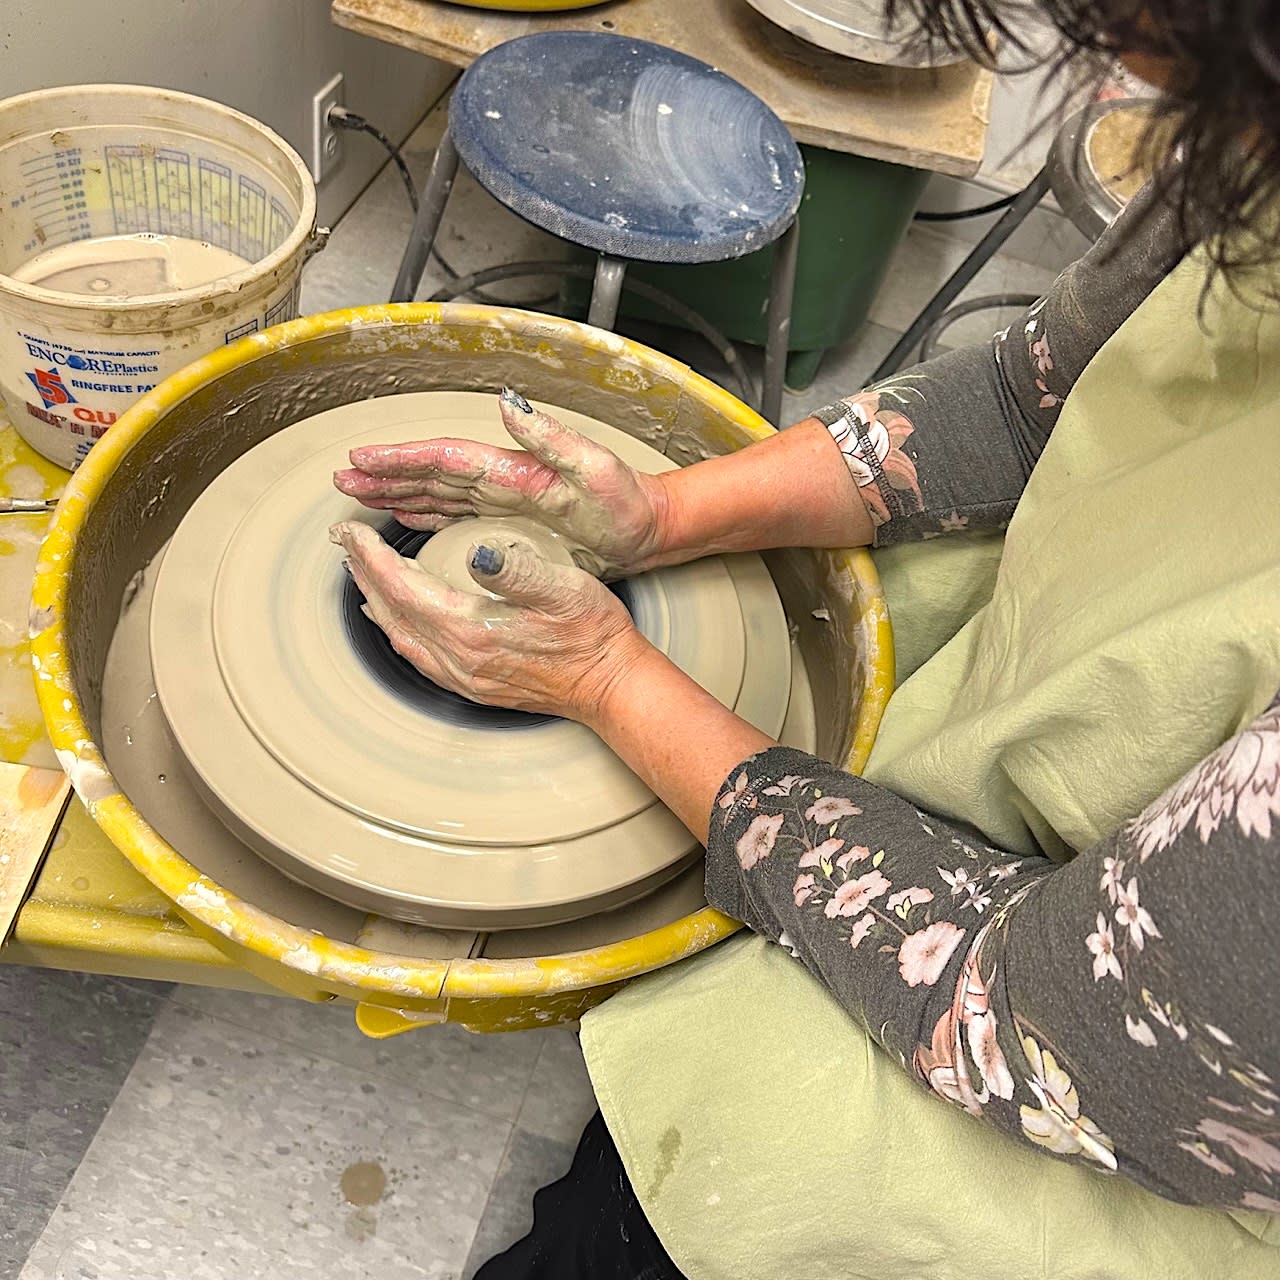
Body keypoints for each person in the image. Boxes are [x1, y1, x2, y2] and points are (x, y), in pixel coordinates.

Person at [331, 2, 1280, 1275]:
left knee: (671, 1208)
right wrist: (660, 512)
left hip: (1121, 1124)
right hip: (1083, 782)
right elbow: (1025, 396)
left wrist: (605, 675)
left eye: (1150, 39)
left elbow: (1032, 1026)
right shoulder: (1253, 147)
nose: (1121, 66)